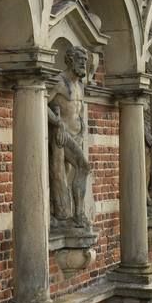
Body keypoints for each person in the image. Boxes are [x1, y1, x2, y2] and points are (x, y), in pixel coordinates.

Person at [48, 46, 92, 231]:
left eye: (85, 60)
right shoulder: (59, 82)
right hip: (62, 135)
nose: (84, 63)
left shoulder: (79, 85)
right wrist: (57, 124)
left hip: (77, 135)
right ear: (70, 60)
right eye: (80, 59)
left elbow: (79, 112)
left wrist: (82, 130)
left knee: (65, 174)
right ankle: (78, 214)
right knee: (83, 166)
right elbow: (42, 102)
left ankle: (65, 213)